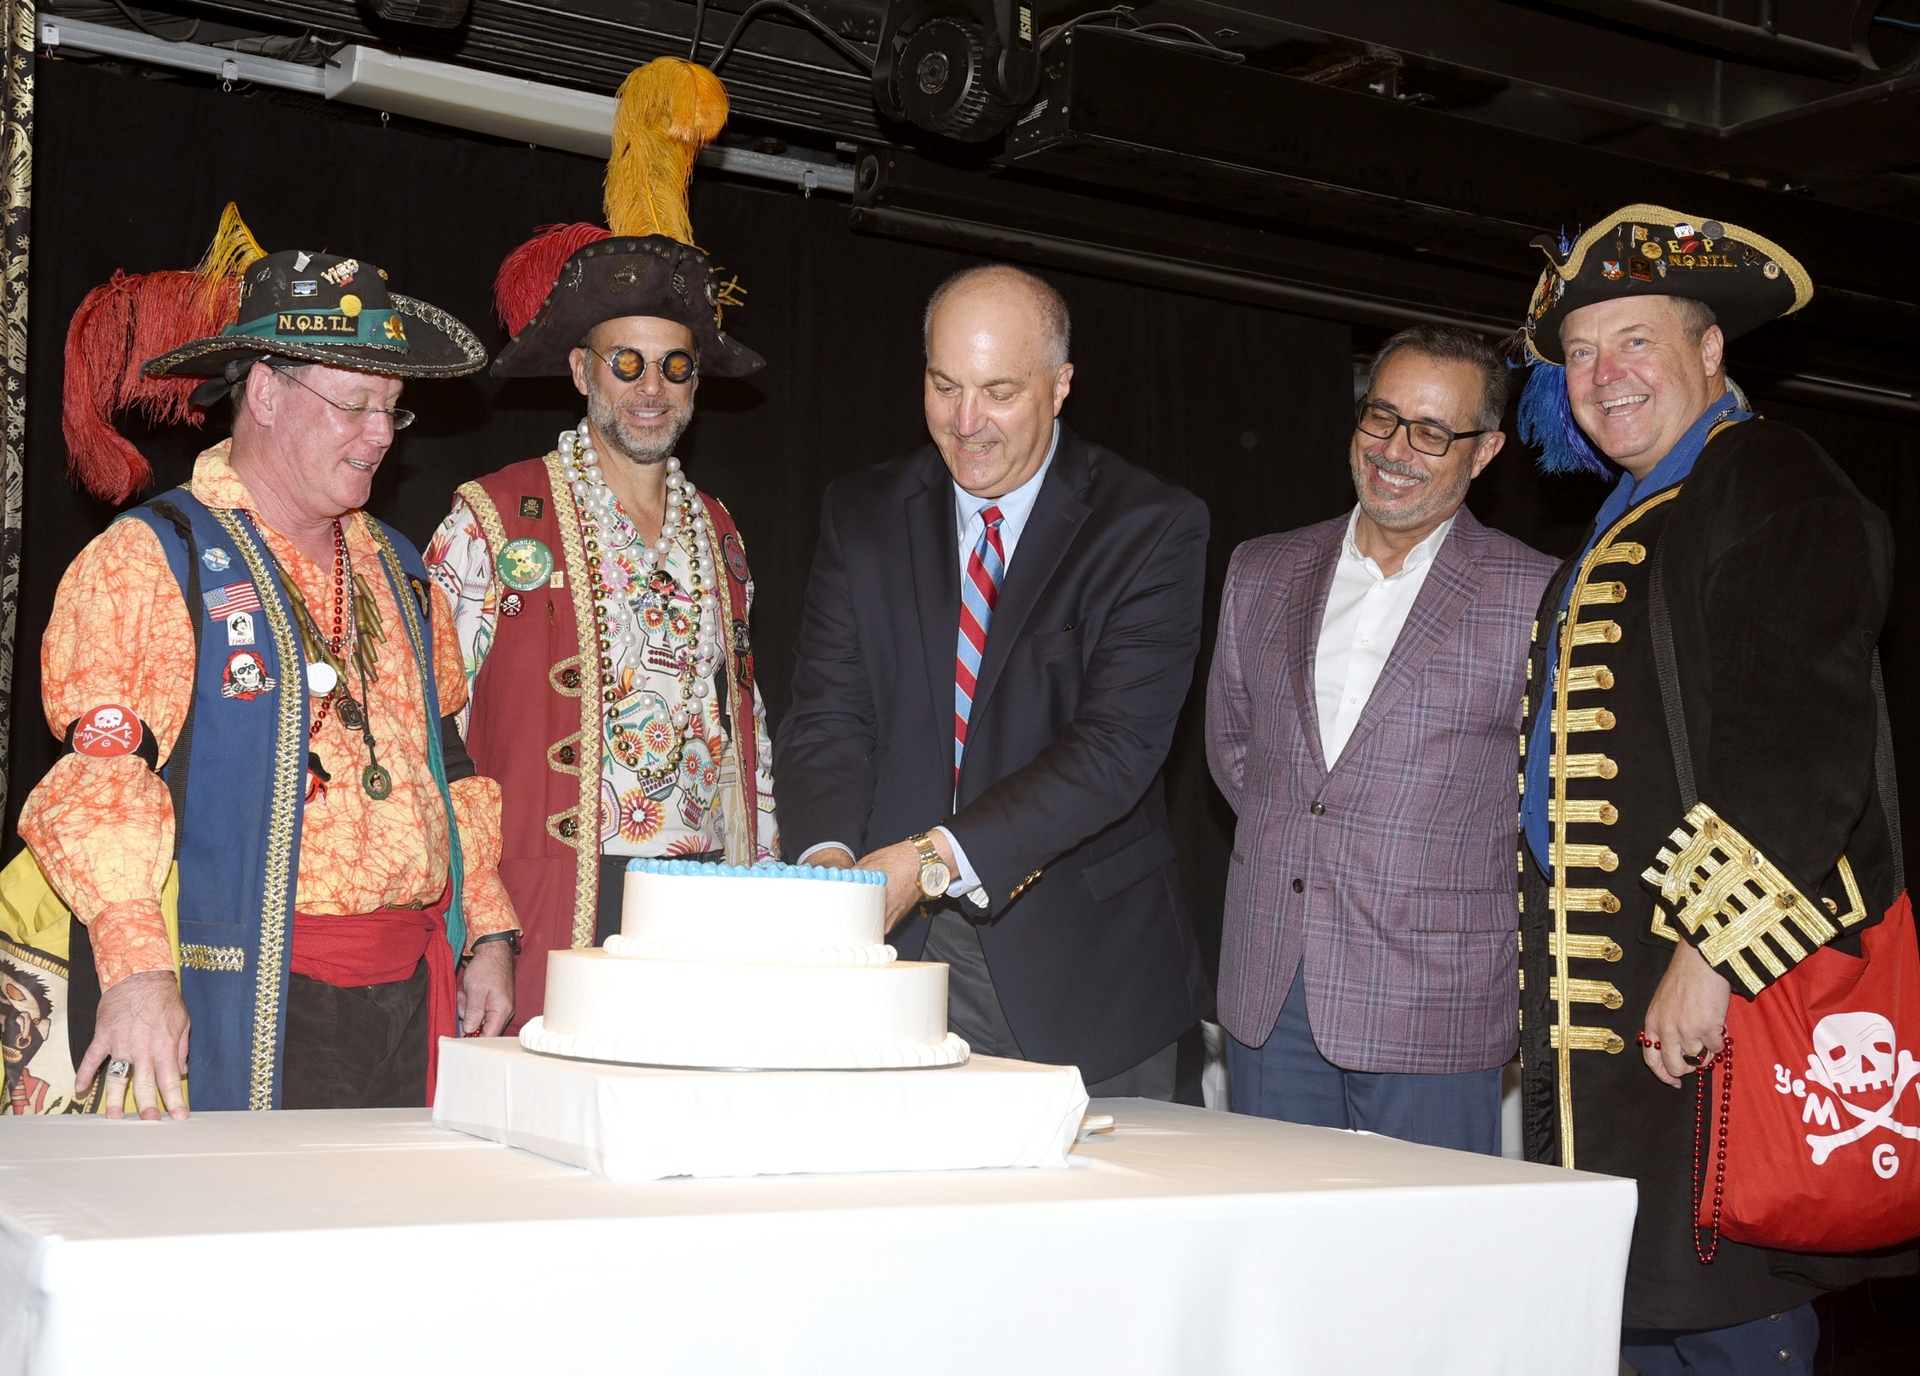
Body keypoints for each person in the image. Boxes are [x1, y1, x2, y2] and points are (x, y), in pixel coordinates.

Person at [1512, 204, 1913, 1371]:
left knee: (1734, 1315)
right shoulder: (1633, 513)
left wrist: (1710, 949)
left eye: (1635, 340)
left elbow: (1802, 743)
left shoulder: (1771, 480)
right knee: (1631, 1317)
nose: (1605, 375)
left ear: (1711, 349)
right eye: (1581, 354)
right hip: (1610, 1032)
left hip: (1709, 1005)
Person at [17, 229, 520, 1118]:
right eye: (356, 402)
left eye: (393, 408)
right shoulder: (150, 558)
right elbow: (102, 782)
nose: (381, 434)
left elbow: (454, 770)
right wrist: (135, 973)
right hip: (256, 988)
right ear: (266, 393)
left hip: (411, 984)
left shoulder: (401, 571)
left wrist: (487, 931)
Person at [775, 263, 1213, 1097]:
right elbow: (829, 713)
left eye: (1000, 393)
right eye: (945, 387)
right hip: (889, 963)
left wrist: (928, 859)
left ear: (1060, 387)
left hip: (1081, 973)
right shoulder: (862, 512)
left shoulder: (1150, 526)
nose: (966, 424)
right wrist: (831, 862)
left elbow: (1115, 750)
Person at [426, 58, 776, 1030]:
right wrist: (475, 921)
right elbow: (424, 728)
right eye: (627, 363)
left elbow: (750, 738)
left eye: (674, 365)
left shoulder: (722, 533)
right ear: (582, 370)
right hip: (550, 908)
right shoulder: (494, 518)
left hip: (700, 908)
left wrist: (770, 898)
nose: (651, 387)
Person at [1205, 325, 1555, 1152]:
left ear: (1486, 452)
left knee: (1426, 1265)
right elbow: (1235, 751)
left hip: (1435, 996)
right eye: (1381, 417)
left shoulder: (1538, 594)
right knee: (1280, 1251)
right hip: (1273, 987)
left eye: (1433, 433)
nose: (1396, 449)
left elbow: (1546, 799)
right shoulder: (1260, 569)